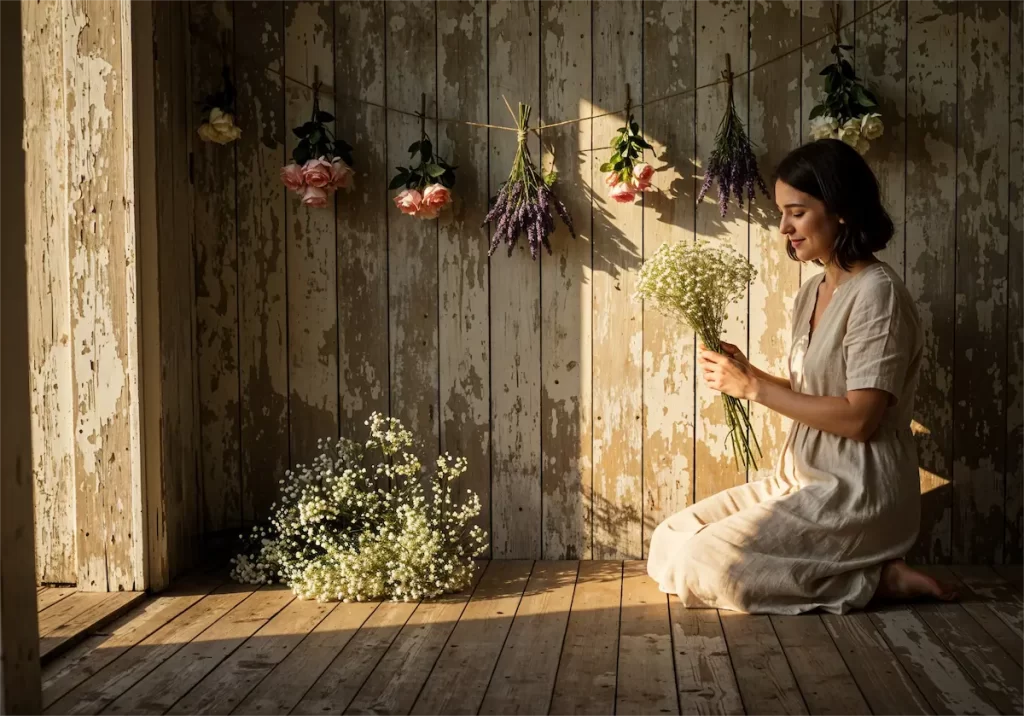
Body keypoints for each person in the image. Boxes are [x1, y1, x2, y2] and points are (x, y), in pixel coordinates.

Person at [646, 138, 957, 615]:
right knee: (670, 540)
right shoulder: (813, 290)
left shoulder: (879, 295)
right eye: (781, 213)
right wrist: (751, 374)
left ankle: (875, 580)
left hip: (857, 491)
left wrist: (755, 389)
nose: (784, 227)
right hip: (797, 479)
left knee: (701, 562)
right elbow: (819, 390)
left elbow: (859, 419)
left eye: (797, 212)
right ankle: (858, 573)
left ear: (841, 211)